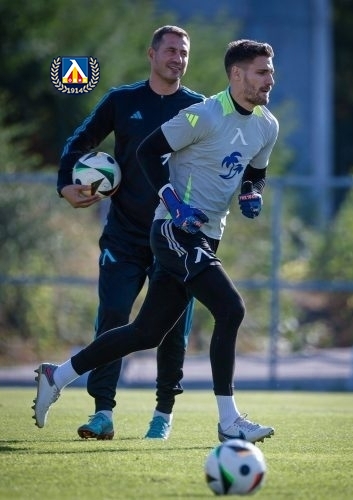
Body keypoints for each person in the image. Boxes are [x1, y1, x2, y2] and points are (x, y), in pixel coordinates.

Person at [33, 38, 279, 444]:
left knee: (147, 332)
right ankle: (229, 420)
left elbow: (255, 171)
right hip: (173, 230)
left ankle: (56, 375)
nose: (270, 79)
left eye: (270, 71)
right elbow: (148, 152)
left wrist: (252, 192)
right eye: (262, 71)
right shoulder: (202, 114)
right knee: (231, 308)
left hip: (208, 236)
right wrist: (173, 203)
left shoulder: (267, 125)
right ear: (237, 74)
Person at [56, 25, 204, 440]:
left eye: (183, 52)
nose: (178, 58)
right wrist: (65, 184)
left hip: (174, 237)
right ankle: (102, 413)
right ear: (152, 54)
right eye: (170, 50)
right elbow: (78, 141)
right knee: (114, 316)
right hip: (124, 235)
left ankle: (163, 415)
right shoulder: (122, 101)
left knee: (172, 329)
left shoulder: (198, 108)